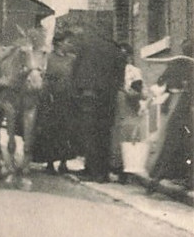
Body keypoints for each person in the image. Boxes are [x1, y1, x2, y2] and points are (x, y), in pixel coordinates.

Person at [70, 26, 124, 182]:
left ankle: (91, 171)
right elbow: (120, 76)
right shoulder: (116, 50)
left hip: (88, 95)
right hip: (108, 98)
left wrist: (75, 92)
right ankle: (103, 173)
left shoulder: (86, 46)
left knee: (89, 133)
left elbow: (75, 70)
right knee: (104, 133)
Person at [148, 40, 193, 188]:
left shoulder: (176, 63)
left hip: (176, 103)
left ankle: (161, 174)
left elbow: (162, 83)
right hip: (184, 104)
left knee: (172, 139)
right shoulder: (187, 64)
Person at [32, 30, 79, 174]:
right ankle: (50, 163)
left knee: (67, 132)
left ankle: (64, 162)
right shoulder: (49, 58)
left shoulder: (72, 59)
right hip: (51, 100)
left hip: (68, 99)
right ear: (59, 43)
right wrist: (47, 95)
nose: (69, 45)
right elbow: (44, 78)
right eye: (67, 42)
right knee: (51, 132)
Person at [110, 44, 148, 183]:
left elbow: (138, 92)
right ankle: (116, 167)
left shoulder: (134, 71)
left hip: (129, 107)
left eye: (125, 55)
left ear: (129, 56)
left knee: (128, 136)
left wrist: (126, 90)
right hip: (117, 106)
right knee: (116, 136)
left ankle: (126, 171)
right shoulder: (113, 71)